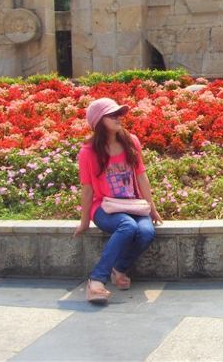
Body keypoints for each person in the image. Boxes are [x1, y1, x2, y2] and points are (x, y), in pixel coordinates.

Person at [74, 97, 163, 304]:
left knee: (147, 232)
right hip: (104, 208)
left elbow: (141, 176)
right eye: (112, 115)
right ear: (98, 121)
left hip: (133, 204)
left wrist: (152, 208)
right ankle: (96, 280)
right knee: (127, 226)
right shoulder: (88, 152)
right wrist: (85, 221)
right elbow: (87, 190)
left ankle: (119, 268)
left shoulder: (131, 141)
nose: (118, 118)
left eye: (119, 114)